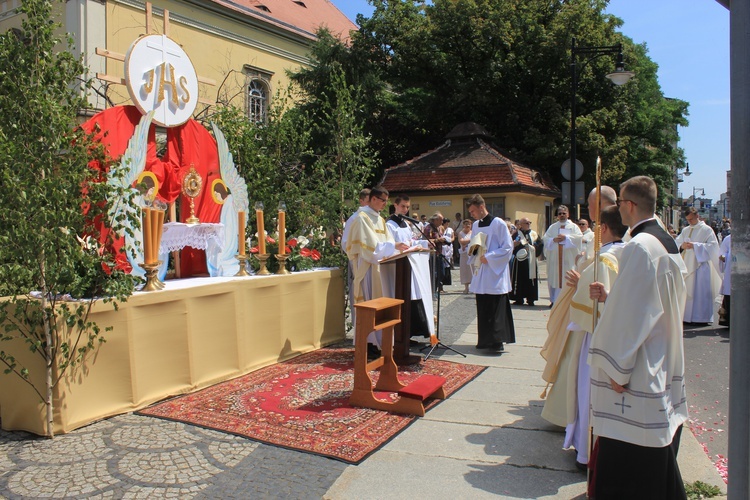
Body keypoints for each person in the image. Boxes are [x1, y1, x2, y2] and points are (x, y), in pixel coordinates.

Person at [588, 175, 688, 499]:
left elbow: (631, 318)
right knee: (657, 457)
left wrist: (618, 370)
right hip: (664, 352)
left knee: (630, 467)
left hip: (641, 369)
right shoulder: (666, 241)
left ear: (629, 206)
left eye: (619, 202)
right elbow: (650, 300)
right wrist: (611, 296)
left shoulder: (639, 247)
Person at [344, 186, 397, 357]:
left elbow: (388, 241)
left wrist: (396, 247)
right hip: (367, 268)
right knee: (368, 303)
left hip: (380, 267)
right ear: (373, 199)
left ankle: (379, 342)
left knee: (379, 304)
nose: (384, 204)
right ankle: (367, 343)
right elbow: (370, 248)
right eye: (382, 201)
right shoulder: (361, 218)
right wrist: (393, 247)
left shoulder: (380, 220)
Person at [466, 194, 515, 353]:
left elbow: (507, 247)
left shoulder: (498, 223)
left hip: (495, 272)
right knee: (483, 305)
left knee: (495, 307)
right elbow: (473, 245)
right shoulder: (475, 226)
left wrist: (489, 257)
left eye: (473, 211)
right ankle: (485, 340)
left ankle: (497, 341)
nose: (471, 214)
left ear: (481, 207)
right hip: (481, 271)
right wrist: (472, 252)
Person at [385, 194, 434, 340]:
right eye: (402, 206)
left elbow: (410, 241)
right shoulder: (389, 224)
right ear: (395, 205)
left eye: (407, 207)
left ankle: (411, 333)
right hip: (398, 266)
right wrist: (399, 248)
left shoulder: (406, 223)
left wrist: (425, 243)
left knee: (413, 296)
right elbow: (390, 245)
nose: (405, 209)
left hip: (410, 264)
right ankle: (402, 335)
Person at [675, 207, 721, 325]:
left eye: (691, 219)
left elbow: (713, 246)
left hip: (700, 266)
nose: (689, 222)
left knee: (700, 292)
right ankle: (686, 316)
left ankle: (700, 318)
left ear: (697, 216)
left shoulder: (707, 230)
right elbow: (677, 243)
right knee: (687, 291)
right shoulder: (686, 230)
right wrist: (682, 246)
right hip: (687, 264)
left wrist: (696, 246)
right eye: (687, 220)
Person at [543, 205, 583, 306]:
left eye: (564, 213)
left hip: (568, 259)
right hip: (555, 260)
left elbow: (579, 238)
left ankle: (567, 301)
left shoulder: (573, 226)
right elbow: (545, 238)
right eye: (560, 213)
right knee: (555, 279)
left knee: (567, 278)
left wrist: (567, 238)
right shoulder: (553, 227)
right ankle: (554, 301)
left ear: (568, 214)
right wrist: (553, 240)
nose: (561, 215)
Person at [509, 217, 541, 306]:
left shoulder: (534, 234)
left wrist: (534, 248)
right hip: (519, 261)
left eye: (529, 222)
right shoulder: (516, 234)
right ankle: (519, 298)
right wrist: (515, 245)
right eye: (526, 223)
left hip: (530, 260)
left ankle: (531, 299)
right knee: (519, 280)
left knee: (531, 279)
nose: (528, 224)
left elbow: (540, 244)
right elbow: (509, 244)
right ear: (521, 224)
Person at [424, 212, 445, 294]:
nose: (442, 222)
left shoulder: (439, 228)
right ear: (435, 220)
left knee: (441, 273)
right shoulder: (428, 228)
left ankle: (437, 288)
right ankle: (432, 291)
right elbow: (427, 241)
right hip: (432, 254)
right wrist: (438, 240)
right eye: (441, 220)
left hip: (439, 253)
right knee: (433, 274)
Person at [718, 232, 731, 328]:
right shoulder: (728, 239)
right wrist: (723, 257)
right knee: (729, 297)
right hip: (730, 272)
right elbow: (722, 253)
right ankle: (729, 320)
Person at [457, 219, 473, 294]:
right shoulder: (461, 233)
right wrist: (470, 240)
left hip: (472, 253)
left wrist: (466, 243)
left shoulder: (473, 232)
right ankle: (466, 287)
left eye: (469, 224)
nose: (467, 225)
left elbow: (475, 240)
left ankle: (473, 286)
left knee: (472, 269)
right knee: (465, 270)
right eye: (466, 224)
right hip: (464, 254)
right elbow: (461, 241)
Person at [441, 218, 454, 284]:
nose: (447, 224)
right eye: (446, 223)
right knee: (442, 263)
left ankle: (447, 280)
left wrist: (450, 241)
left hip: (449, 246)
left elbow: (453, 237)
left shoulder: (450, 229)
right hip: (442, 247)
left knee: (448, 262)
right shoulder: (441, 228)